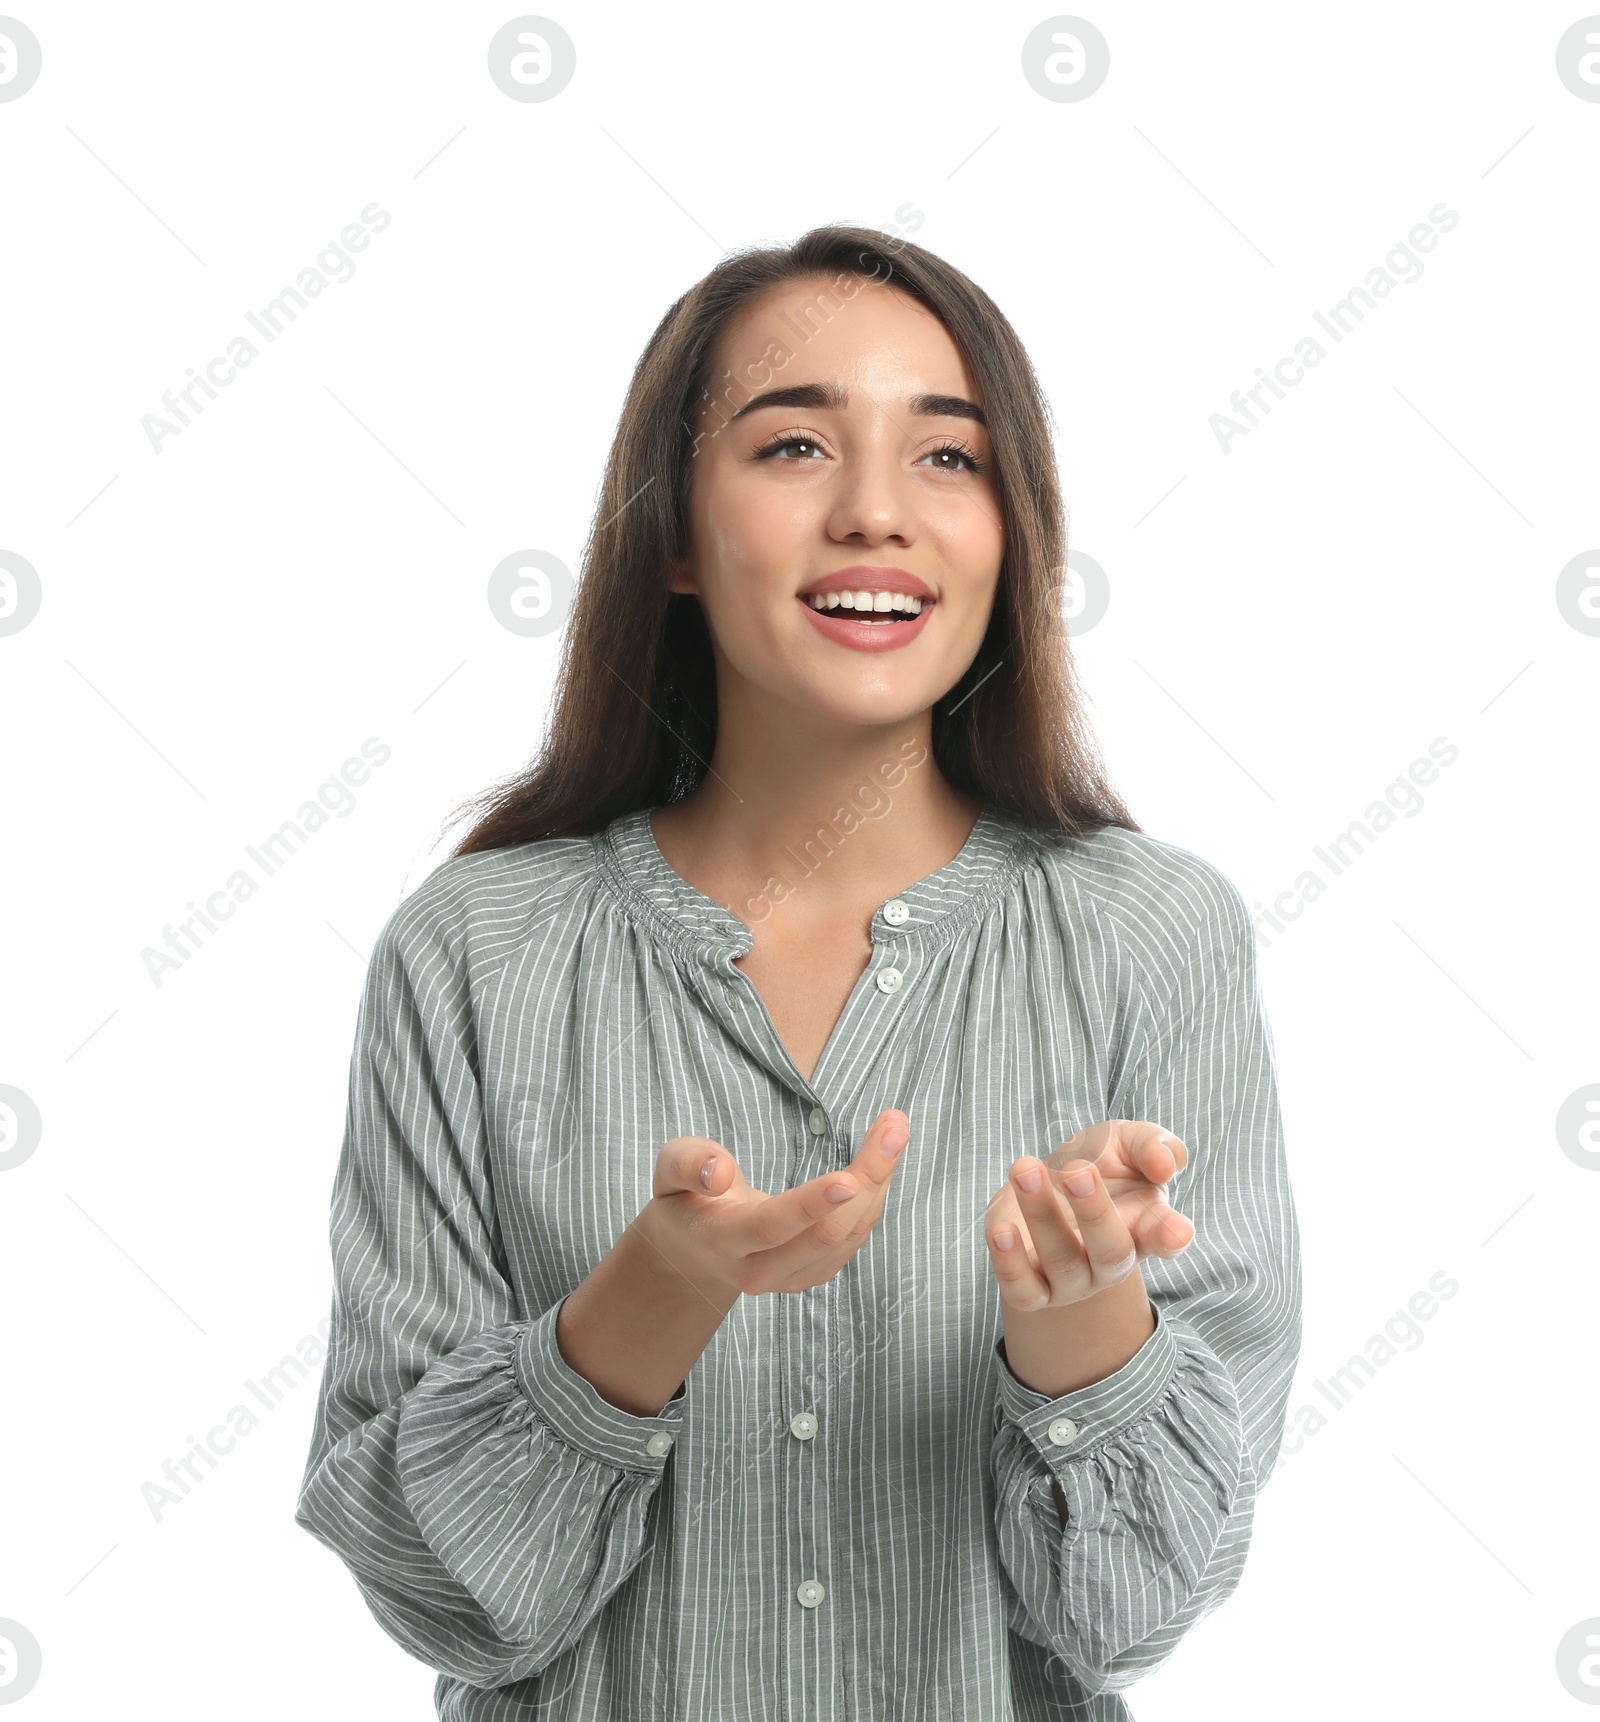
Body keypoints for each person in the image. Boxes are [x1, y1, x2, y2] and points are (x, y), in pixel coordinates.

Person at [294, 224, 1302, 1721]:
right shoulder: (472, 954)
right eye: (791, 446)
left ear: (1012, 532)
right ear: (679, 537)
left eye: (948, 458)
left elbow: (1137, 1610)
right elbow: (442, 1599)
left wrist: (1082, 1319)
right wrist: (646, 1301)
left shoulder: (1154, 935)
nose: (877, 512)